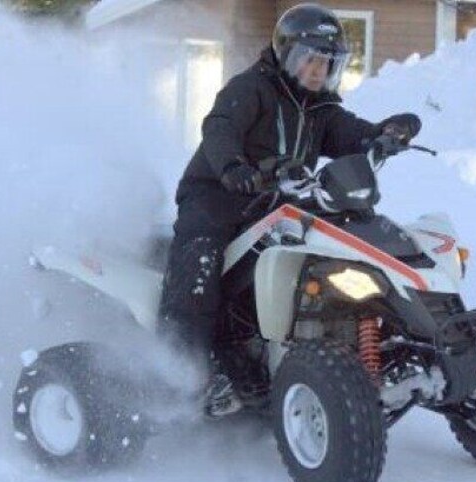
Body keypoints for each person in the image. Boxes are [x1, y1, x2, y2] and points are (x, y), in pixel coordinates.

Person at [158, 3, 422, 417]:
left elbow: (349, 133)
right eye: (310, 60)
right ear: (285, 54)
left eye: (328, 64)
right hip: (217, 197)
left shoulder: (319, 107)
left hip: (276, 201)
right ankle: (184, 371)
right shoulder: (250, 88)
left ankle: (306, 346)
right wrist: (233, 168)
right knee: (201, 266)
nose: (318, 72)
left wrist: (383, 134)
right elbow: (219, 129)